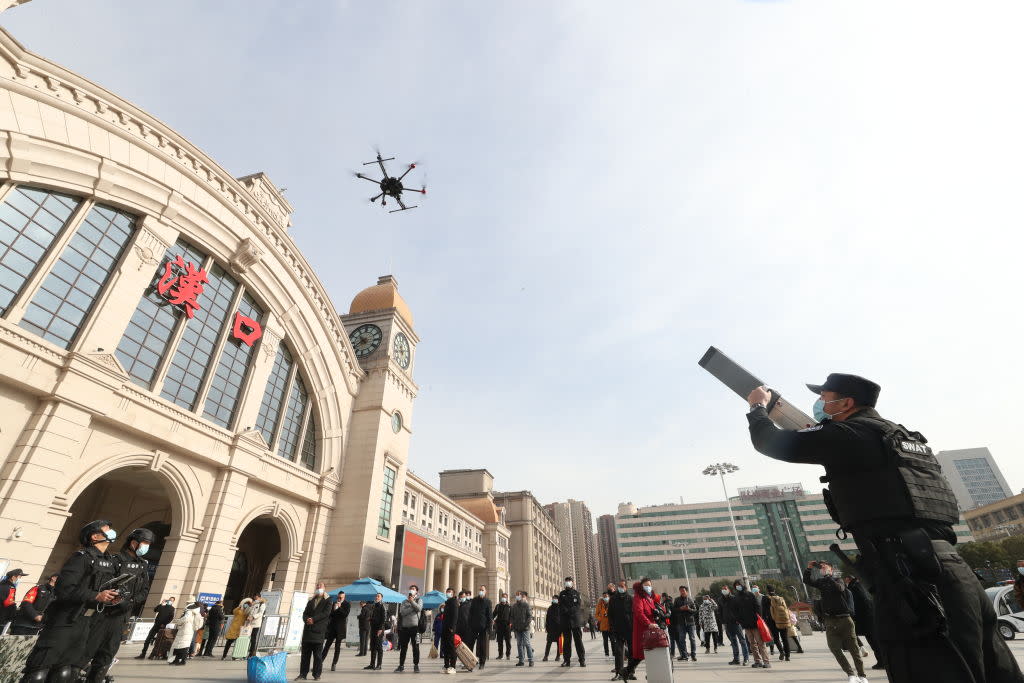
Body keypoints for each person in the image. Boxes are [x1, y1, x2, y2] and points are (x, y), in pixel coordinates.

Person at [747, 374, 1023, 683]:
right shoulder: (903, 438)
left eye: (825, 397)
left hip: (908, 578)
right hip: (956, 570)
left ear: (847, 402)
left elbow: (770, 442)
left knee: (928, 666)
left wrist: (757, 406)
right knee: (992, 666)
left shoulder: (850, 435)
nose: (820, 404)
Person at [20, 520, 120, 683]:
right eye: (107, 530)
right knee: (39, 671)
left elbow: (98, 592)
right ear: (95, 536)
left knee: (65, 671)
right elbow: (64, 589)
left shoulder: (108, 562)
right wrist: (95, 596)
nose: (111, 532)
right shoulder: (81, 557)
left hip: (84, 622)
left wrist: (110, 599)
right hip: (64, 620)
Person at [81, 528, 153, 682]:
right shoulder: (115, 559)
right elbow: (102, 584)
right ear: (134, 543)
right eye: (145, 543)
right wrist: (115, 597)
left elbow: (145, 590)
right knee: (86, 652)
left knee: (107, 655)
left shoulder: (143, 566)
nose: (147, 547)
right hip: (103, 615)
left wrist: (131, 600)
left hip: (122, 618)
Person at [803, 561, 865, 682]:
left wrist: (829, 577)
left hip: (845, 620)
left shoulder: (838, 580)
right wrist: (809, 569)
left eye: (825, 567)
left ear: (831, 569)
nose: (822, 568)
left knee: (854, 650)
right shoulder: (821, 583)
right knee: (834, 649)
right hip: (830, 621)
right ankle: (851, 674)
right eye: (821, 568)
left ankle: (862, 676)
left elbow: (840, 589)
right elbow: (807, 581)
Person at [844, 575, 885, 670]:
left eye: (845, 579)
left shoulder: (854, 588)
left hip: (866, 619)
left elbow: (863, 603)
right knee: (873, 641)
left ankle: (882, 662)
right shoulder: (858, 586)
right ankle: (881, 661)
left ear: (848, 579)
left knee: (874, 641)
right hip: (868, 618)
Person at [620, 578, 657, 681]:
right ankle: (629, 671)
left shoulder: (649, 597)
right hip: (642, 629)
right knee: (643, 653)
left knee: (645, 653)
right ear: (641, 586)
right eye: (645, 585)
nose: (648, 587)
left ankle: (627, 671)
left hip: (650, 629)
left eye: (649, 585)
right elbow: (639, 612)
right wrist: (648, 623)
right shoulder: (638, 597)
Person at [296, 582, 332, 680]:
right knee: (305, 656)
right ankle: (303, 674)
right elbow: (305, 613)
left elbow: (326, 613)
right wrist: (306, 619)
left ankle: (316, 675)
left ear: (324, 588)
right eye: (317, 585)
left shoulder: (328, 600)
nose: (318, 587)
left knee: (317, 656)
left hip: (318, 632)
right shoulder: (311, 600)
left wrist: (313, 619)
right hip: (308, 631)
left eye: (320, 586)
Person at [733, 580, 770, 669]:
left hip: (755, 623)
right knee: (752, 644)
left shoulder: (749, 594)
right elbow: (736, 610)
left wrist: (758, 618)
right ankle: (757, 661)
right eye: (736, 585)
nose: (738, 586)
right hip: (745, 624)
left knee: (760, 643)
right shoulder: (736, 597)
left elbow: (757, 607)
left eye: (739, 585)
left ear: (742, 585)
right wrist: (739, 620)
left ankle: (766, 661)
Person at [394, 584, 423, 673]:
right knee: (403, 648)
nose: (412, 590)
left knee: (416, 647)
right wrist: (412, 606)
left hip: (415, 628)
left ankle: (416, 665)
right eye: (411, 589)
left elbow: (419, 608)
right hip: (405, 628)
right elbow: (402, 612)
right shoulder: (404, 601)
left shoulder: (419, 600)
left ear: (416, 591)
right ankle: (401, 665)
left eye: (413, 589)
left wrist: (412, 602)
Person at [608, 580, 633, 680]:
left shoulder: (631, 599)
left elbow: (634, 614)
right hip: (617, 629)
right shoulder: (613, 599)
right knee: (618, 651)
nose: (620, 588)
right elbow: (610, 615)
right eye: (619, 586)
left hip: (629, 629)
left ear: (626, 587)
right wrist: (612, 627)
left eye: (622, 586)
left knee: (631, 651)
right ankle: (619, 672)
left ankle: (630, 672)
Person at [558, 577, 585, 667]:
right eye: (566, 581)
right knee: (566, 642)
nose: (568, 583)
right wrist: (566, 611)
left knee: (578, 641)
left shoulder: (576, 593)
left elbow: (578, 605)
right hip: (565, 621)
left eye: (569, 581)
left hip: (575, 620)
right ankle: (566, 660)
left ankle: (582, 660)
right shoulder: (562, 594)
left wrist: (570, 611)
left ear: (572, 583)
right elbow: (560, 605)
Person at [719, 584, 748, 665]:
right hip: (728, 623)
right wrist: (723, 622)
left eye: (725, 588)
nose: (724, 590)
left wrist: (739, 620)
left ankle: (746, 659)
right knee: (733, 641)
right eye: (723, 589)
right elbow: (720, 611)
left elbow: (740, 609)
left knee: (742, 640)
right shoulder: (720, 599)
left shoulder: (734, 598)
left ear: (729, 590)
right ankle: (736, 659)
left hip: (736, 623)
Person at [322, 590, 350, 672]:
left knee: (337, 647)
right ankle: (320, 662)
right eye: (338, 597)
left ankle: (334, 663)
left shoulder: (347, 604)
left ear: (344, 597)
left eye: (340, 597)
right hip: (332, 628)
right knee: (327, 646)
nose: (339, 598)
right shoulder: (334, 603)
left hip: (340, 629)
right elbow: (330, 615)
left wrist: (340, 607)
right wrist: (334, 609)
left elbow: (345, 615)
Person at [170, 600, 204, 666]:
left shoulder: (189, 611)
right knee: (182, 645)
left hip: (185, 629)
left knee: (182, 646)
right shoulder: (197, 612)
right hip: (189, 629)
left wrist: (178, 621)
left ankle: (182, 661)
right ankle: (178, 660)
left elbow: (185, 619)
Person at [467, 585, 491, 668]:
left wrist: (488, 628)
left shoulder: (488, 601)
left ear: (485, 592)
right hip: (473, 626)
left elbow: (489, 615)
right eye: (480, 589)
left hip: (483, 627)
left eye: (482, 590)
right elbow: (471, 613)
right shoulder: (474, 600)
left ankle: (482, 662)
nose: (481, 591)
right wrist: (469, 624)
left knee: (482, 646)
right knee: (470, 644)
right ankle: (469, 661)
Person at [765, 587, 791, 661]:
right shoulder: (780, 598)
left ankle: (781, 652)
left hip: (772, 621)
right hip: (782, 620)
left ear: (767, 591)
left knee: (776, 638)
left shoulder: (765, 598)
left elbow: (764, 611)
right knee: (785, 639)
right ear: (774, 591)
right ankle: (788, 656)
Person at [672, 585, 697, 662]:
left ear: (686, 591)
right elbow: (674, 611)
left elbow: (695, 611)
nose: (682, 592)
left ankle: (693, 655)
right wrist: (680, 608)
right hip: (681, 623)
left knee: (692, 639)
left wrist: (688, 609)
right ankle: (684, 655)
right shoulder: (677, 600)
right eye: (681, 591)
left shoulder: (690, 600)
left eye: (683, 590)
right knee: (681, 639)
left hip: (690, 622)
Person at [510, 591, 534, 667]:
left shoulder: (526, 605)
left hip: (525, 628)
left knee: (527, 643)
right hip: (517, 628)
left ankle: (531, 660)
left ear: (521, 596)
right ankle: (521, 660)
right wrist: (514, 625)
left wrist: (525, 625)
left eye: (519, 595)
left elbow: (529, 617)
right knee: (519, 644)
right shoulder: (514, 606)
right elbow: (511, 617)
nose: (517, 596)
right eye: (516, 595)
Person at [1, 568, 28, 633]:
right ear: (13, 577)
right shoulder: (11, 588)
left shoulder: (1, 585)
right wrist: (13, 615)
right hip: (2, 617)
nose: (19, 579)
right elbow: (9, 603)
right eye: (19, 577)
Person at [364, 592, 386, 670]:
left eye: (378, 596)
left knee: (379, 647)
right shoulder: (374, 605)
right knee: (373, 647)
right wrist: (370, 619)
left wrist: (380, 629)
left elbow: (383, 619)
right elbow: (375, 616)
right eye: (376, 596)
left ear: (381, 598)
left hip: (379, 629)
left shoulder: (382, 606)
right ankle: (372, 664)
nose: (376, 597)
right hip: (373, 628)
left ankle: (379, 665)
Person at [441, 587, 459, 675]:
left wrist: (452, 627)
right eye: (447, 591)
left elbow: (455, 616)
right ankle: (446, 665)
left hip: (450, 628)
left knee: (451, 647)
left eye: (450, 592)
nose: (448, 593)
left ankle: (453, 666)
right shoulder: (447, 602)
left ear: (453, 593)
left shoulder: (454, 602)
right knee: (445, 647)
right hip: (445, 627)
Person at [492, 592, 512, 661]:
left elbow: (512, 616)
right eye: (503, 597)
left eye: (505, 597)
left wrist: (511, 623)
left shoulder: (509, 607)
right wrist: (492, 619)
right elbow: (493, 614)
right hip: (499, 626)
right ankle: (500, 655)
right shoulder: (498, 606)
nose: (503, 598)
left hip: (507, 626)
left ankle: (508, 654)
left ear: (506, 598)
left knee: (508, 641)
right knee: (500, 641)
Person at [542, 595, 561, 662]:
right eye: (553, 599)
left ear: (558, 600)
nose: (554, 600)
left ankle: (558, 656)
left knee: (559, 643)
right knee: (548, 643)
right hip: (551, 628)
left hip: (559, 629)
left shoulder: (560, 608)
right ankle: (546, 656)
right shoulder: (550, 608)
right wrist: (547, 627)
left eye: (555, 599)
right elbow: (547, 618)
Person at [595, 591, 611, 658]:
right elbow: (596, 614)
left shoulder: (611, 603)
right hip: (603, 625)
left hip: (611, 625)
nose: (605, 598)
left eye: (606, 596)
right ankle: (606, 653)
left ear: (608, 596)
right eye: (604, 596)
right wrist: (600, 619)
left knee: (613, 640)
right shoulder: (600, 604)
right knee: (605, 641)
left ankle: (614, 653)